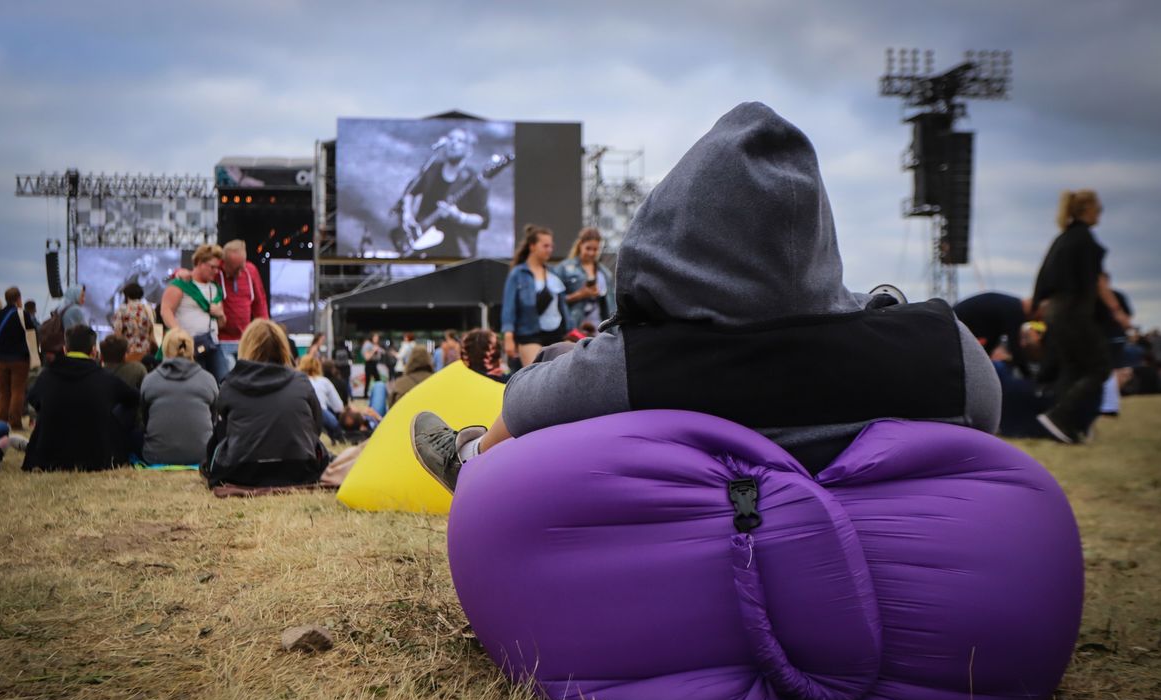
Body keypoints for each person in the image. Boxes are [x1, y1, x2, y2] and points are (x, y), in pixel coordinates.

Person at [412, 102, 1001, 492]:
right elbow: (987, 409)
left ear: (677, 232)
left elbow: (528, 403)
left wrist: (567, 357)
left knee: (550, 373)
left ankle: (467, 458)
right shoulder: (941, 351)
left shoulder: (642, 365)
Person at [1030, 190, 1130, 443]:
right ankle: (1061, 417)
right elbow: (1097, 281)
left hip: (1055, 311)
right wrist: (1117, 312)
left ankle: (1063, 428)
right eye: (1098, 207)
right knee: (1099, 367)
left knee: (1072, 369)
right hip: (1073, 310)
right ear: (1087, 209)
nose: (1100, 212)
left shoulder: (1062, 239)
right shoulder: (1084, 240)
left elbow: (1042, 279)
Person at [204, 319, 328, 487]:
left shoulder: (230, 385)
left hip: (241, 472)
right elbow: (316, 427)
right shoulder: (301, 382)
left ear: (245, 347)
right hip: (300, 470)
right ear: (283, 348)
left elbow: (223, 432)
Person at [22, 325, 139, 472]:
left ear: (65, 349)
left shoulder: (47, 376)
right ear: (94, 351)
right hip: (97, 456)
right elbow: (134, 399)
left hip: (49, 454)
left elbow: (33, 399)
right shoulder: (106, 379)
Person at [395, 127, 492, 259]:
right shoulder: (431, 170)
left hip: (455, 250)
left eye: (459, 140)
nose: (453, 143)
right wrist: (407, 214)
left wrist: (458, 216)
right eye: (450, 138)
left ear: (468, 150)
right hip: (423, 241)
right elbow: (410, 192)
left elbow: (482, 220)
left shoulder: (474, 180)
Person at [140, 328, 218, 465]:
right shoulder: (208, 380)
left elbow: (145, 419)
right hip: (202, 455)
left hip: (155, 455)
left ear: (165, 349)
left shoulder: (150, 380)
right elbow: (214, 419)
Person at [501, 225, 569, 367]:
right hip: (529, 332)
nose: (549, 250)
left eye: (551, 246)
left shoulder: (553, 273)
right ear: (532, 246)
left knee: (559, 376)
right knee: (534, 375)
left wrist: (570, 329)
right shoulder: (518, 273)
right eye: (545, 246)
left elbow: (562, 305)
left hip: (556, 332)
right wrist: (508, 336)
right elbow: (509, 306)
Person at [161, 244, 228, 383]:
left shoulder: (215, 289)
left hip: (213, 344)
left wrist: (220, 314)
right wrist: (179, 333)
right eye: (212, 267)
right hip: (188, 347)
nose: (215, 271)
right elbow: (166, 310)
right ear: (199, 263)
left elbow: (221, 324)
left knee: (223, 382)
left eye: (217, 268)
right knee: (194, 383)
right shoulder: (181, 285)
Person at [214, 239, 269, 366]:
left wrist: (265, 331)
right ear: (224, 263)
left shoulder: (251, 271)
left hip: (246, 341)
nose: (239, 273)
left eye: (241, 267)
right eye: (234, 269)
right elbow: (196, 274)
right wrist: (178, 273)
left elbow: (260, 303)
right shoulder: (215, 271)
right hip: (221, 342)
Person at [554, 227, 615, 330]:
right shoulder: (564, 268)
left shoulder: (605, 273)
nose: (591, 253)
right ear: (580, 245)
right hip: (574, 328)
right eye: (588, 248)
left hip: (599, 329)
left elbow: (611, 306)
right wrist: (580, 295)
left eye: (595, 249)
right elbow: (554, 300)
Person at [0, 286, 32, 431]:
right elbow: (32, 333)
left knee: (2, 393)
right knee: (17, 391)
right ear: (19, 299)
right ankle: (15, 422)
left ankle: (1, 422)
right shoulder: (23, 314)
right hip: (19, 359)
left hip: (0, 359)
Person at [297, 353, 345, 442]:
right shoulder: (324, 381)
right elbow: (339, 406)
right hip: (320, 414)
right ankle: (337, 437)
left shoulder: (295, 381)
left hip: (298, 416)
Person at [111, 282, 157, 362]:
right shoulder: (149, 310)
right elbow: (153, 333)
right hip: (145, 351)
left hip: (128, 352)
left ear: (126, 295)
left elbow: (117, 332)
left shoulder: (121, 310)